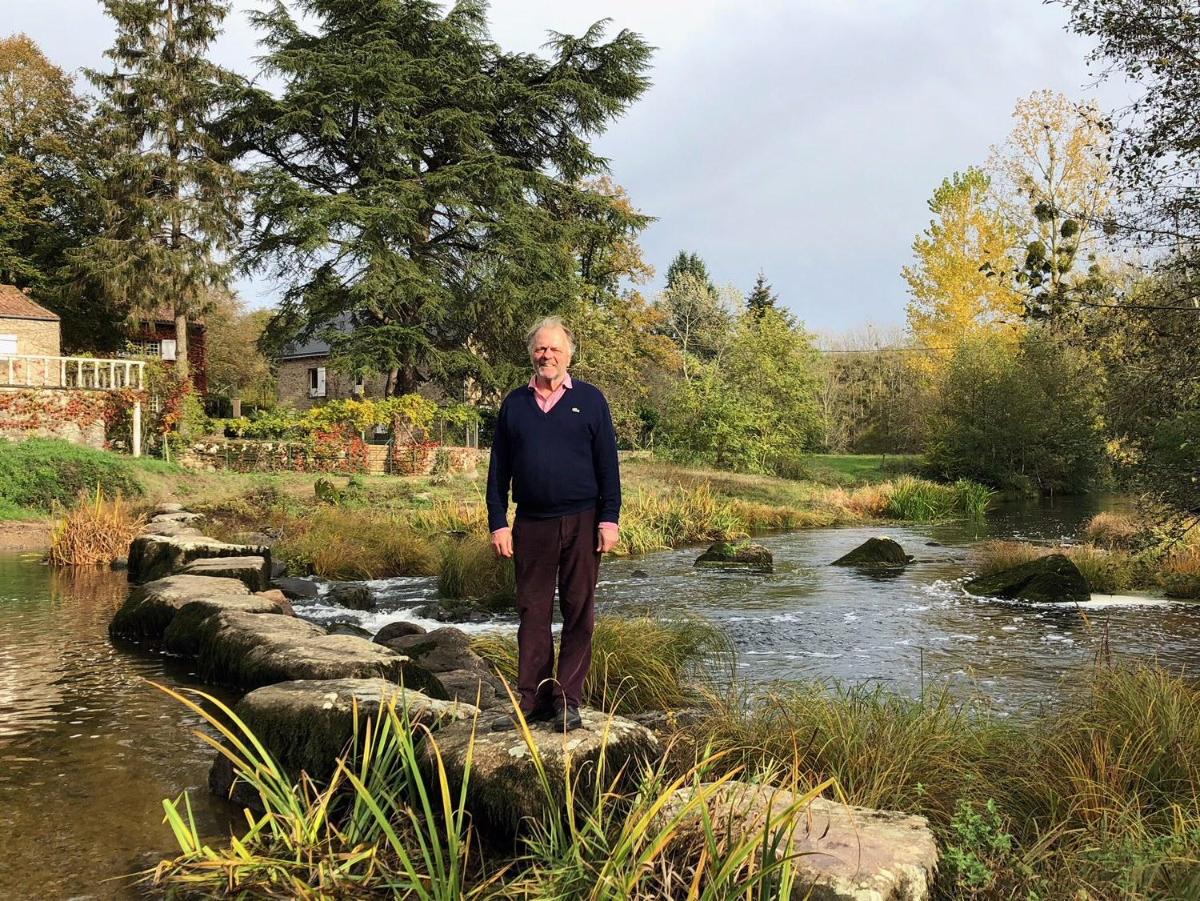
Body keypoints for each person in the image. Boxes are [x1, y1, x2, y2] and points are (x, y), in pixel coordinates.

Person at [486, 316, 621, 732]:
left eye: (554, 349)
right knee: (533, 612)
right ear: (532, 353)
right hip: (531, 523)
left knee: (579, 611)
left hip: (583, 522)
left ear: (569, 355)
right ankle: (533, 699)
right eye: (541, 349)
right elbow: (498, 471)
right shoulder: (515, 404)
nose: (547, 355)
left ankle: (568, 701)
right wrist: (498, 523)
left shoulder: (591, 400)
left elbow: (608, 467)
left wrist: (609, 519)